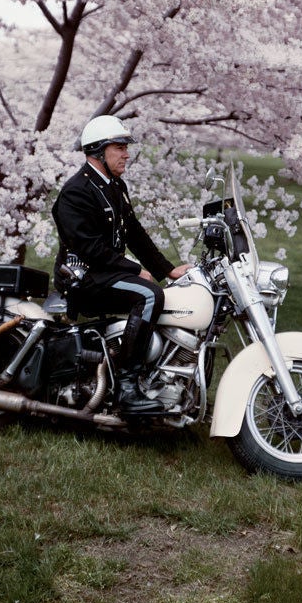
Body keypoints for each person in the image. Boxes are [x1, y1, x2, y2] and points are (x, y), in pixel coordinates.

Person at [52, 115, 191, 415]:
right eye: (119, 147)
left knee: (159, 288)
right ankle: (129, 386)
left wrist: (167, 269)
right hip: (83, 277)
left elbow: (135, 233)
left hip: (103, 271)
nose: (127, 153)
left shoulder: (115, 186)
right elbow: (89, 248)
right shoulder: (77, 191)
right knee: (150, 294)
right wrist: (133, 270)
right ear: (98, 152)